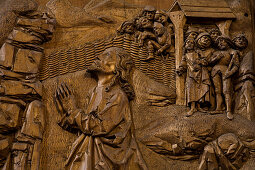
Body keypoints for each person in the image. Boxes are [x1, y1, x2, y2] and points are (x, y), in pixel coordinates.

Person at [55, 47, 148, 170]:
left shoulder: (118, 96)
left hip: (107, 160)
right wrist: (66, 113)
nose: (99, 56)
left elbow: (100, 127)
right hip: (89, 153)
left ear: (117, 68)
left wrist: (73, 110)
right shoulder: (93, 92)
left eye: (108, 55)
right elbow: (85, 129)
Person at [176, 38, 211, 116]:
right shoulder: (185, 56)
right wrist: (180, 69)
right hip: (191, 75)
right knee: (191, 89)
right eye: (188, 42)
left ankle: (199, 106)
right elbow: (183, 64)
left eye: (192, 43)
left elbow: (205, 61)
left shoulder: (198, 52)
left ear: (194, 45)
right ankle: (192, 107)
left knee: (199, 89)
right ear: (185, 45)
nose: (190, 44)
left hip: (201, 74)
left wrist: (200, 61)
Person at [209, 36, 240, 120]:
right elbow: (210, 61)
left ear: (228, 42)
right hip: (215, 71)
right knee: (217, 90)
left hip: (226, 71)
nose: (220, 43)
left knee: (226, 91)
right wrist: (217, 58)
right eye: (219, 42)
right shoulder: (216, 52)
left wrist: (230, 72)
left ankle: (229, 110)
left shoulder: (232, 52)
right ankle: (218, 108)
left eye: (222, 42)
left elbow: (236, 65)